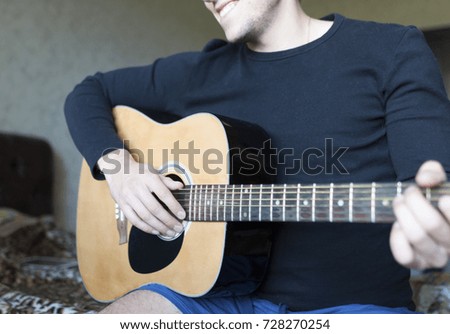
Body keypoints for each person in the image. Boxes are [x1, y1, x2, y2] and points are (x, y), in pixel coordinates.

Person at [64, 0, 450, 314]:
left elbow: (434, 188)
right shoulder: (199, 72)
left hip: (357, 308)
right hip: (213, 300)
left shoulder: (391, 50)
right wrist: (120, 169)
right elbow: (88, 92)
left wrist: (434, 238)